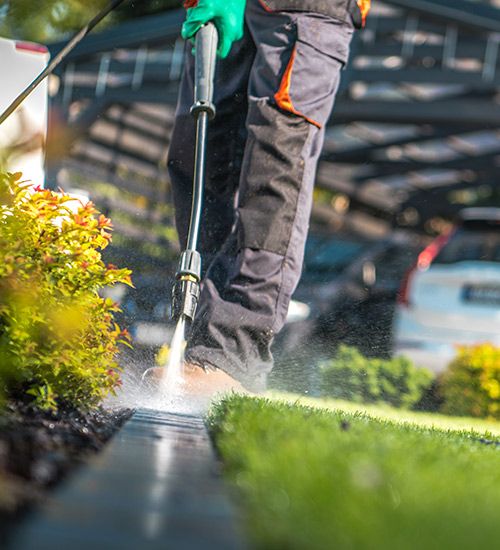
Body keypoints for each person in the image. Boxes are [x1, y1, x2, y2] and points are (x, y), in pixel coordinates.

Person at [166, 0, 370, 395]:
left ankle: (231, 351)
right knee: (195, 159)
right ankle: (194, 338)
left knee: (272, 173)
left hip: (306, 13)